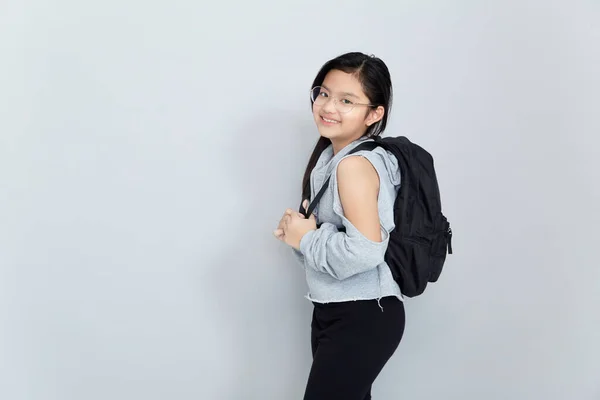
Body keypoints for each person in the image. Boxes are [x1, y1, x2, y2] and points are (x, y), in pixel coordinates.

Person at [273, 52, 405, 400]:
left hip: (362, 315)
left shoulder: (355, 165)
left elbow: (365, 251)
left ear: (375, 114)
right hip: (337, 311)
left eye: (347, 100)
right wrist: (300, 235)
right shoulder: (332, 160)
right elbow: (326, 254)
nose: (328, 106)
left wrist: (307, 238)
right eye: (324, 93)